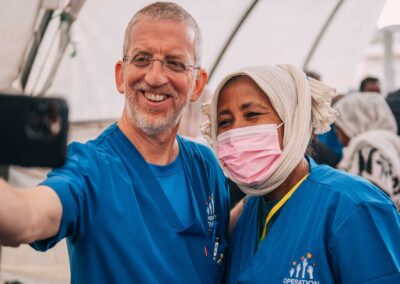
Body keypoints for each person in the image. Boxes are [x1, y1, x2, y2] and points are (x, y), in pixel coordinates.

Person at [0, 2, 230, 283]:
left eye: (175, 63)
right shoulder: (90, 168)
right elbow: (28, 218)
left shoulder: (205, 166)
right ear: (121, 75)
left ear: (196, 84)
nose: (155, 77)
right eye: (142, 59)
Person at [201, 64, 400, 283]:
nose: (236, 131)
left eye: (252, 115)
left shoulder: (354, 206)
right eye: (225, 122)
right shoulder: (248, 214)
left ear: (293, 120)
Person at [334, 92, 400, 209]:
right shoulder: (389, 142)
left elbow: (369, 204)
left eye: (339, 127)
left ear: (352, 123)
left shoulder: (366, 149)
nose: (336, 133)